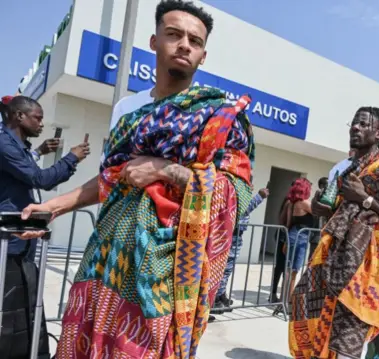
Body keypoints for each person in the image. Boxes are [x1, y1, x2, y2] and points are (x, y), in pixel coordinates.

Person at [22, 1, 255, 357]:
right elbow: (112, 179)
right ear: (153, 41)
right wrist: (53, 206)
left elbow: (234, 194)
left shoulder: (219, 115)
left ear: (203, 56)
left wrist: (164, 170)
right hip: (107, 254)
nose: (184, 45)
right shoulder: (127, 109)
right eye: (174, 34)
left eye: (194, 40)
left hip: (169, 265)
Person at [289, 107, 379, 359]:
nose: (355, 128)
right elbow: (337, 212)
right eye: (353, 123)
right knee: (315, 321)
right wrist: (321, 209)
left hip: (368, 268)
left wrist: (366, 199)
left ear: (378, 133)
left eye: (363, 125)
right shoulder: (342, 169)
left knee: (350, 340)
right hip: (334, 260)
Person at [0, 96, 90, 359]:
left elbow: (26, 171)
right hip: (9, 240)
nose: (41, 123)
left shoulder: (17, 145)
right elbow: (40, 178)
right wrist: (72, 157)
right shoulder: (4, 143)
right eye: (37, 118)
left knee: (23, 303)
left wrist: (38, 151)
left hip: (22, 239)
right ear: (19, 116)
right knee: (8, 307)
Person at [212, 186, 269, 313]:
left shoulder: (239, 189)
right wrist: (259, 197)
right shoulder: (234, 189)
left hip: (236, 235)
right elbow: (241, 210)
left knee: (228, 269)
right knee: (223, 268)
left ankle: (221, 295)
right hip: (230, 234)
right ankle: (214, 300)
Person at [281, 178, 313, 306]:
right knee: (294, 271)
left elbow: (288, 224)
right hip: (301, 237)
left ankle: (283, 299)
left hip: (292, 234)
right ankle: (289, 301)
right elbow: (317, 211)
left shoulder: (291, 203)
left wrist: (285, 241)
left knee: (288, 270)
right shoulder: (305, 203)